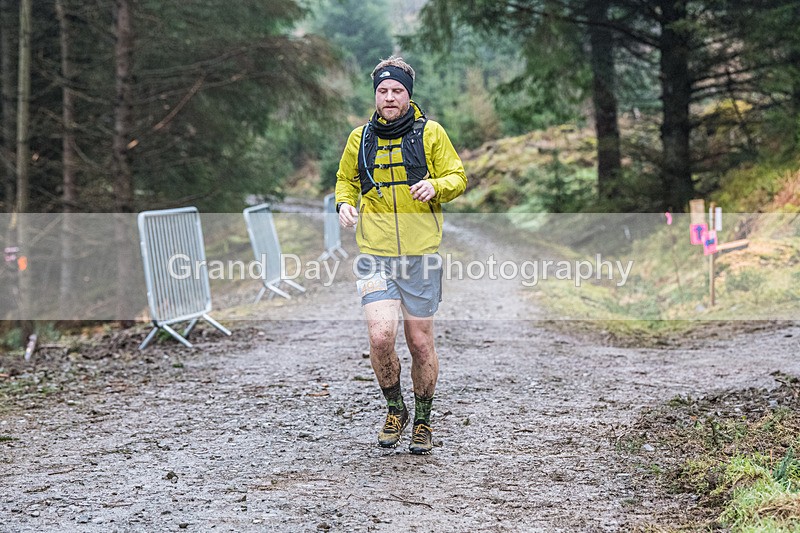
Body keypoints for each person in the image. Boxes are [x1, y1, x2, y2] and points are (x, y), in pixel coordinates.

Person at [335, 56, 467, 454]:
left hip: (420, 255)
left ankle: (423, 419)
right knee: (380, 337)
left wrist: (436, 187)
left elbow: (458, 177)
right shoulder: (360, 138)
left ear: (408, 94)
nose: (389, 97)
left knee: (420, 343)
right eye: (383, 91)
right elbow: (345, 180)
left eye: (397, 90)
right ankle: (396, 409)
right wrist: (344, 204)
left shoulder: (431, 133)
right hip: (373, 255)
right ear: (375, 95)